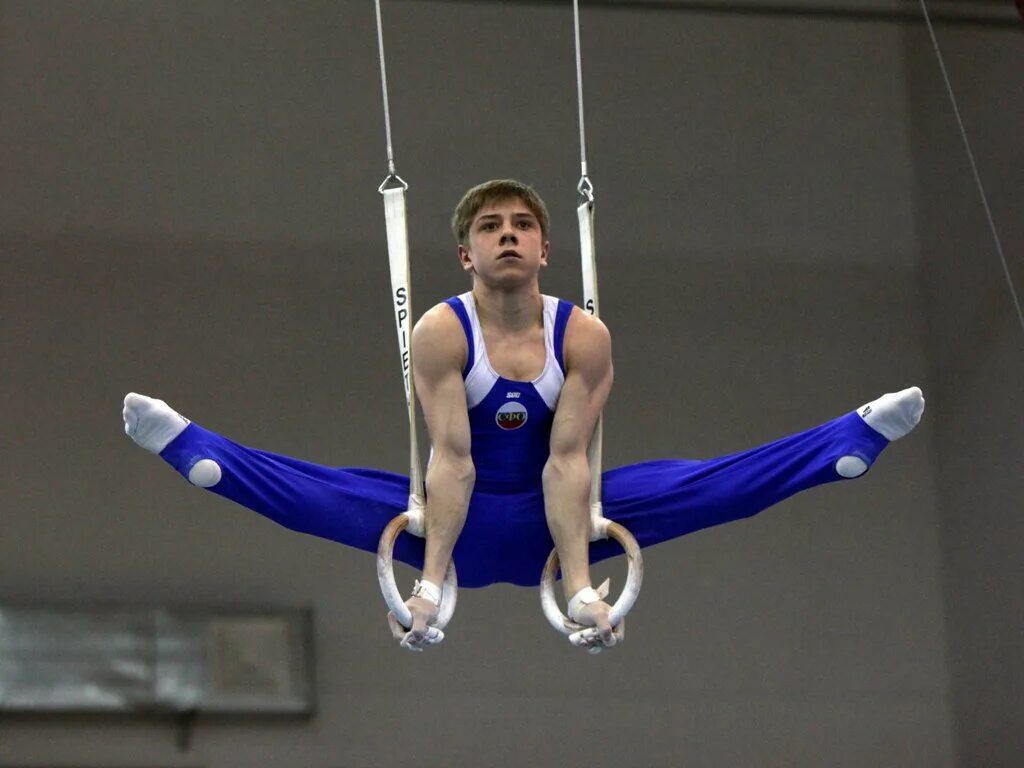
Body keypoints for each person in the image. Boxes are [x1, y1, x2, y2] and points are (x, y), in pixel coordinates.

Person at [123, 179, 926, 652]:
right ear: (466, 254)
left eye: (522, 227)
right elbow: (452, 460)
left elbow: (567, 462)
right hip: (453, 513)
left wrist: (580, 587)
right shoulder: (442, 330)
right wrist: (429, 588)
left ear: (546, 248)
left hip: (562, 516)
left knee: (704, 486)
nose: (507, 236)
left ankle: (842, 446)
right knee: (320, 494)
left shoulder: (583, 334)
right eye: (489, 228)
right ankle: (199, 452)